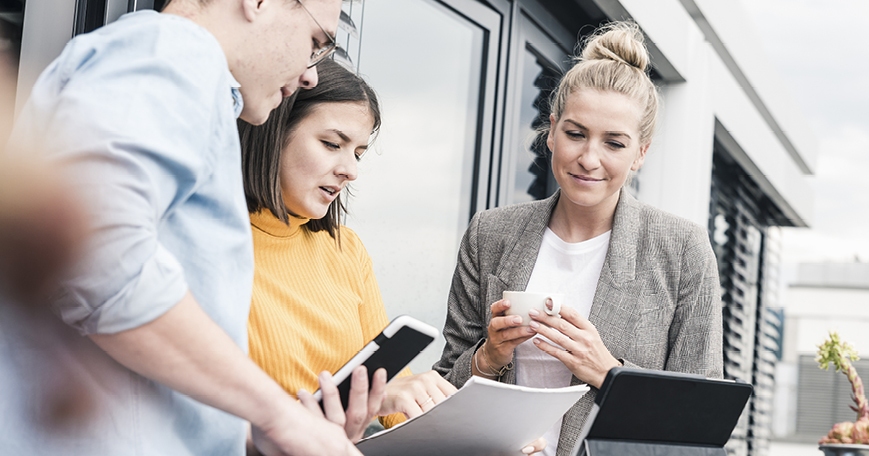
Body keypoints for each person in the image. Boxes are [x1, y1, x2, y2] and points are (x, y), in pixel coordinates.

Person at [5, 0, 364, 454]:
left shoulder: (179, 71)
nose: (312, 74)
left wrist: (260, 435)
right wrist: (278, 412)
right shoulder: (172, 51)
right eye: (316, 42)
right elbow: (99, 260)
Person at [433, 21, 724, 456]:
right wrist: (487, 358)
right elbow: (442, 387)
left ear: (640, 153)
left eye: (614, 143)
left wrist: (608, 373)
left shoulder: (682, 251)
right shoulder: (490, 234)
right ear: (551, 131)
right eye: (575, 134)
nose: (589, 158)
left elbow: (699, 422)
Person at [239, 59, 458, 440]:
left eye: (357, 152)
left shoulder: (345, 250)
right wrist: (376, 398)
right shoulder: (215, 241)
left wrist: (476, 434)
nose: (350, 170)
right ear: (276, 130)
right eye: (331, 144)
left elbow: (390, 386)